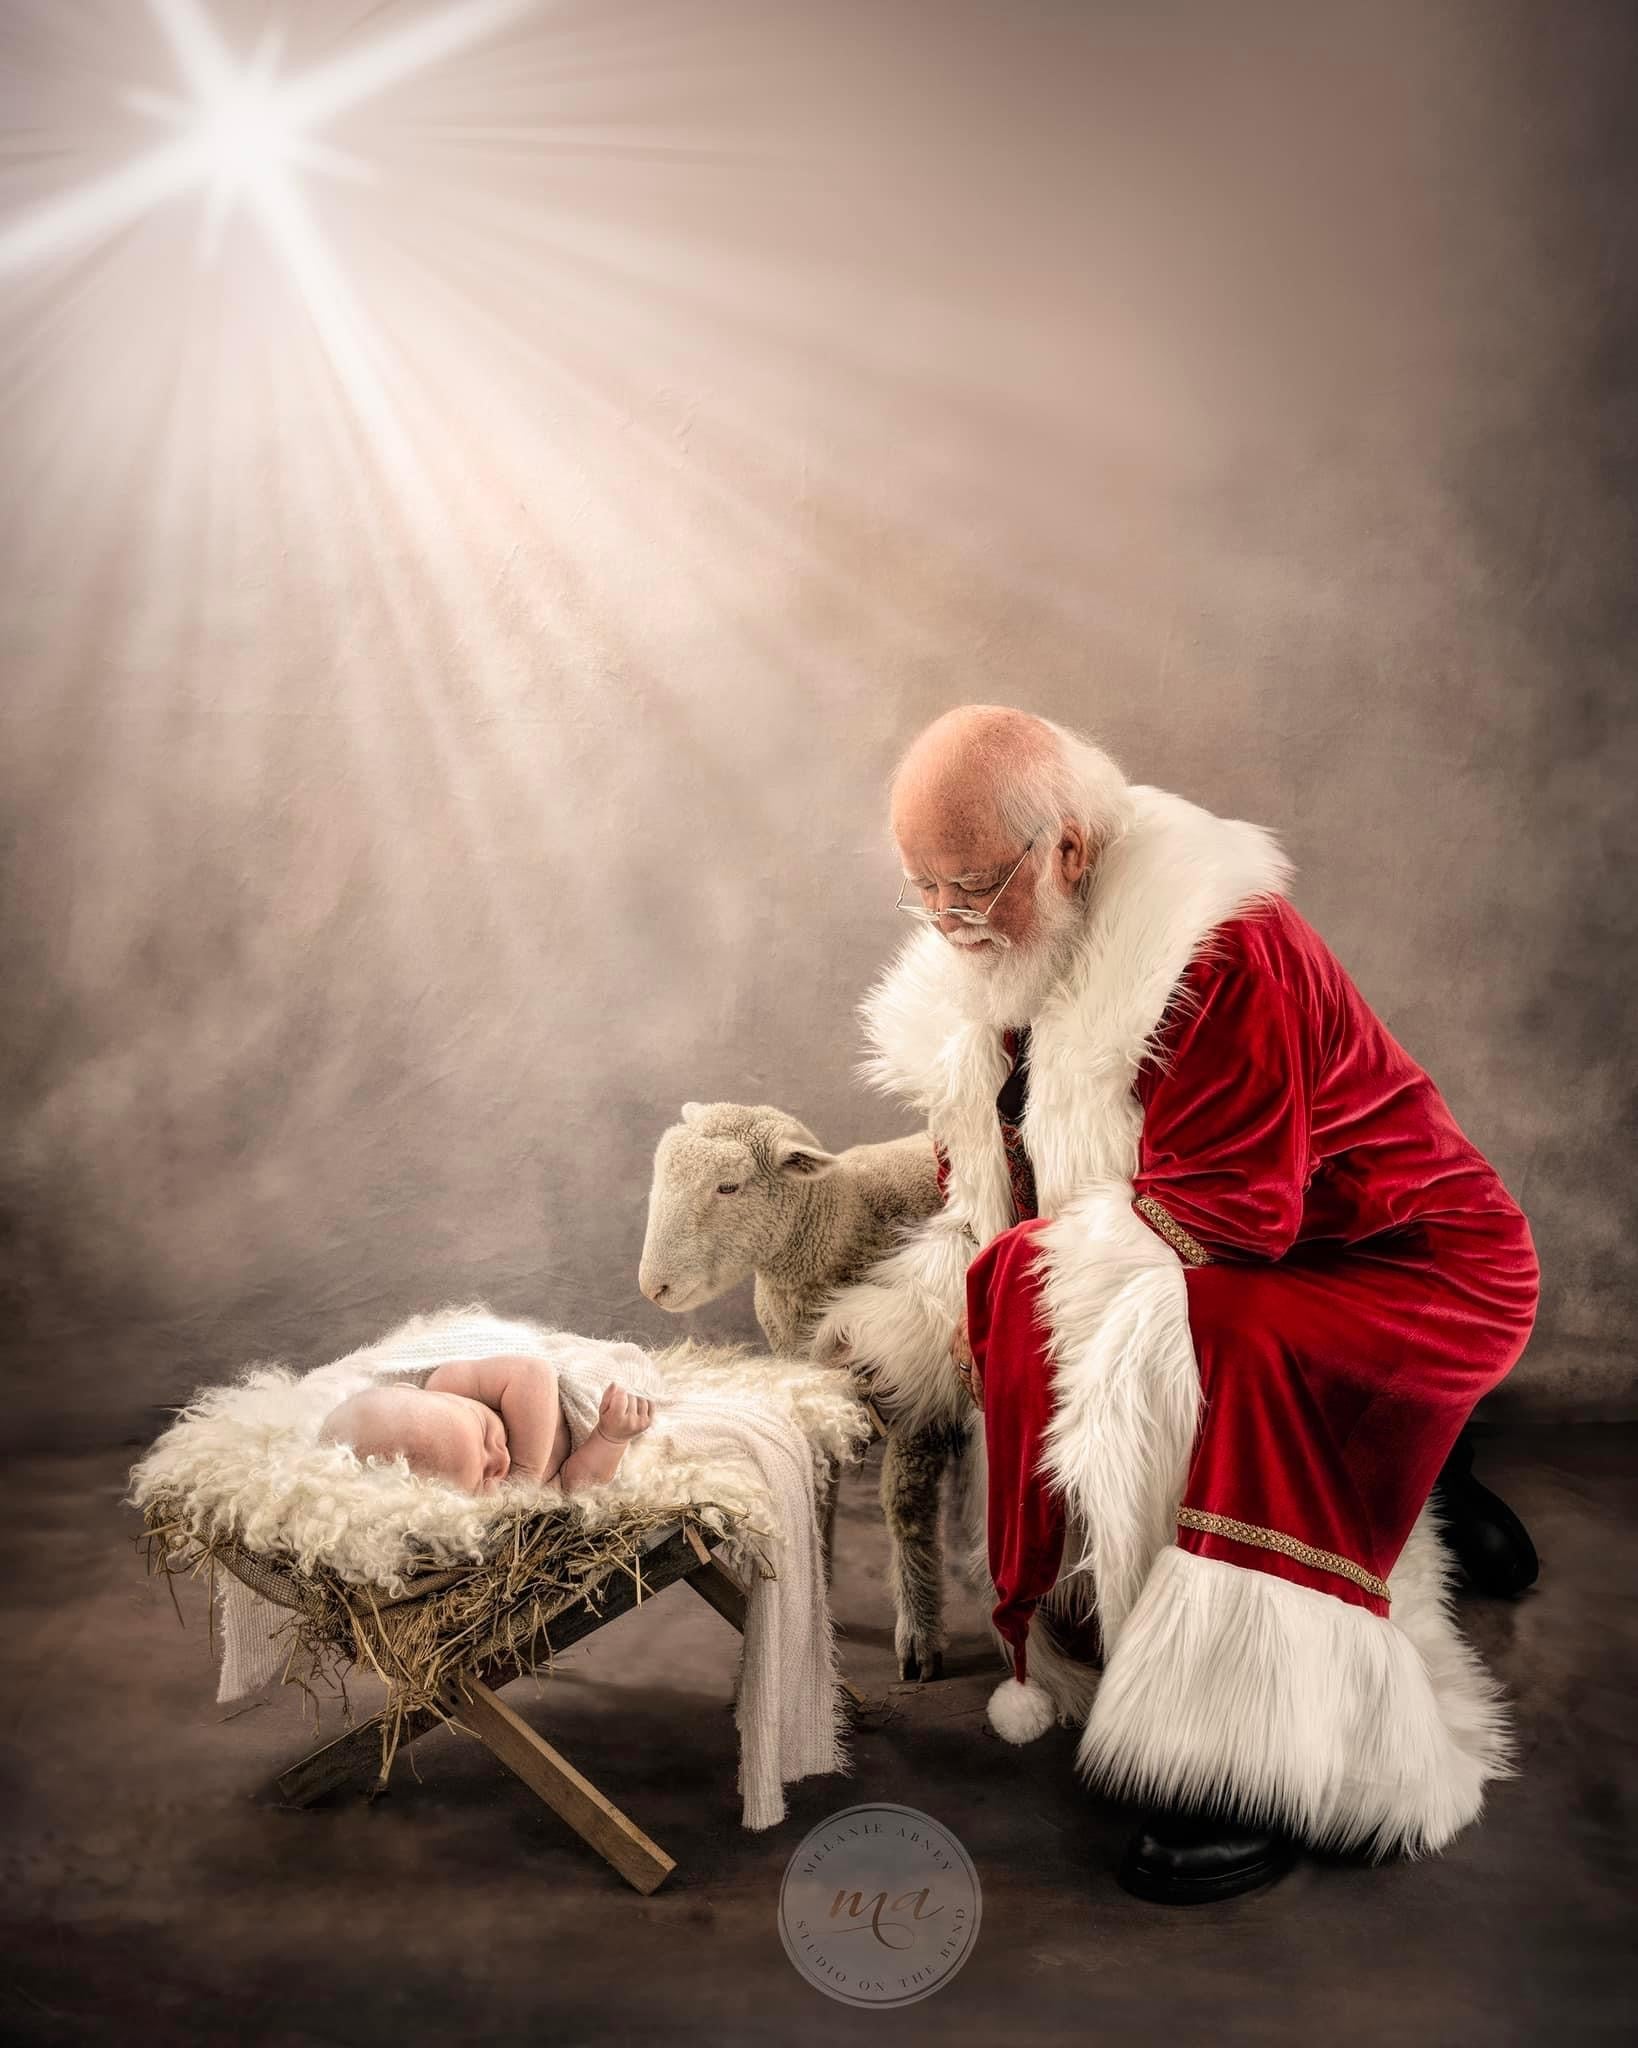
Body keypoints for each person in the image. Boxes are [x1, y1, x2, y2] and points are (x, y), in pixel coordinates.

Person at [813, 704, 1541, 1904]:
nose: (945, 919)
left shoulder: (1217, 948)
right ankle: (1423, 1482)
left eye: (970, 887)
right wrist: (963, 1280)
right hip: (1269, 1239)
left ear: (1067, 850)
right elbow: (994, 1160)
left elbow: (1231, 1218)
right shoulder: (999, 955)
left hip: (1416, 1261)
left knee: (1212, 1341)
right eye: (921, 888)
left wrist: (1007, 1289)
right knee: (1087, 1301)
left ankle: (1254, 1747)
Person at [318, 1354, 655, 1495]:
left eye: (483, 1433)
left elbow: (532, 1373)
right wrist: (609, 1437)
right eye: (483, 1476)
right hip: (601, 1421)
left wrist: (526, 1472)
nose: (500, 1458)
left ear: (411, 1390)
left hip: (576, 1387)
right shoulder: (502, 1503)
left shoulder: (449, 1384)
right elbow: (574, 1484)